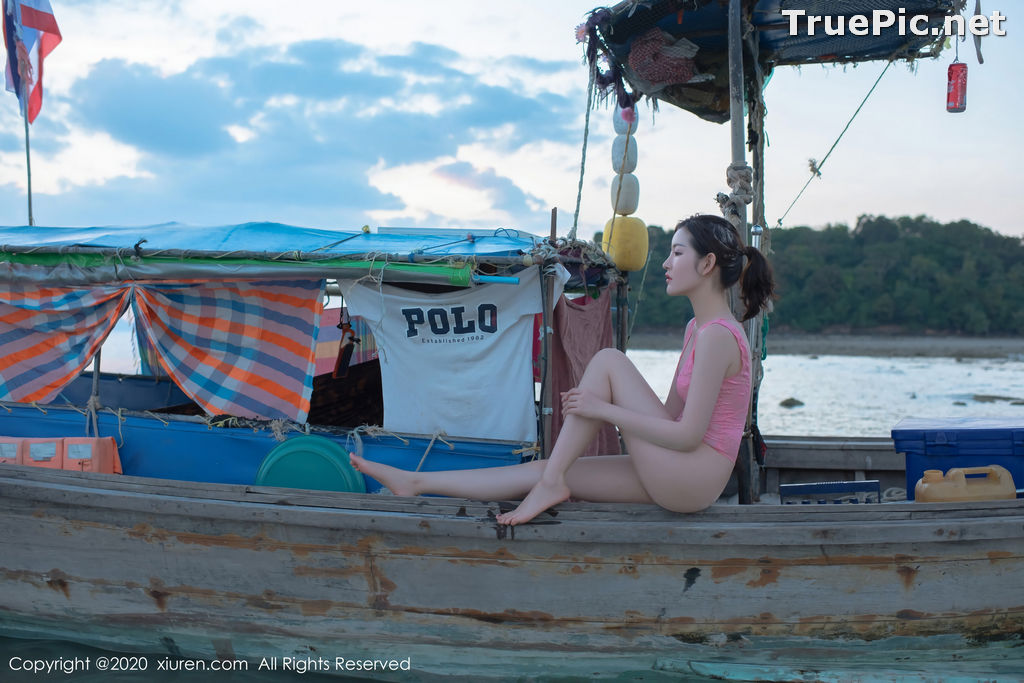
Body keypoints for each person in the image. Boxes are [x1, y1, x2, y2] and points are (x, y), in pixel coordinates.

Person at [350, 214, 776, 525]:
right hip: (679, 471)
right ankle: (416, 482)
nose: (666, 263)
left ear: (707, 265)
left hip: (692, 480)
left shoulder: (718, 336)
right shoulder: (696, 329)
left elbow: (686, 436)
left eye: (677, 253)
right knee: (552, 468)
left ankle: (551, 483)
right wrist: (604, 409)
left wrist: (602, 409)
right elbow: (667, 419)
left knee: (609, 361)